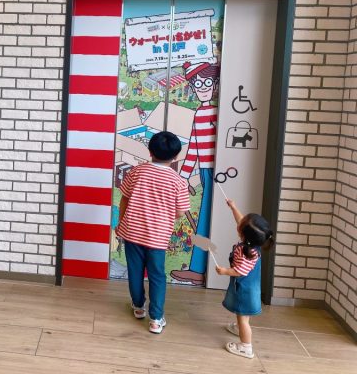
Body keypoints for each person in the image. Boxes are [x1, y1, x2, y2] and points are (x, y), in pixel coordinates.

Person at [117, 131, 191, 334]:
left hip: (132, 232)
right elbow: (180, 212)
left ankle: (138, 307)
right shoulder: (178, 181)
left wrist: (121, 222)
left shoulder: (137, 172)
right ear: (175, 156)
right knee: (157, 276)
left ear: (150, 151)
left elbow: (124, 199)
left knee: (135, 271)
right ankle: (156, 319)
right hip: (157, 237)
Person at [170, 61, 219, 286]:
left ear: (215, 84)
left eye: (207, 82)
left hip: (215, 171)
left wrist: (185, 176)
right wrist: (184, 176)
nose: (203, 88)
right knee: (205, 218)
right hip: (208, 172)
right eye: (198, 84)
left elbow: (197, 149)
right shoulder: (200, 112)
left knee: (206, 218)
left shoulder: (213, 113)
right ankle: (199, 268)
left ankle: (199, 269)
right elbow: (194, 149)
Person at [215, 199, 274, 359]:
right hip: (250, 288)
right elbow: (241, 221)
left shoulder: (245, 253)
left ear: (244, 234)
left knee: (243, 319)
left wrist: (224, 271)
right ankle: (240, 329)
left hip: (244, 290)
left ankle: (245, 347)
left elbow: (239, 271)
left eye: (241, 225)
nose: (239, 223)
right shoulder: (254, 244)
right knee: (244, 317)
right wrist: (233, 207)